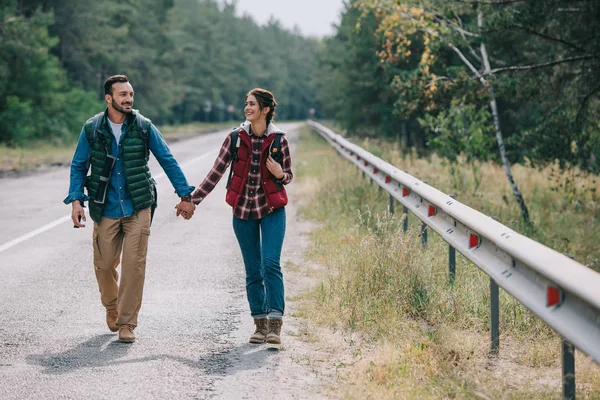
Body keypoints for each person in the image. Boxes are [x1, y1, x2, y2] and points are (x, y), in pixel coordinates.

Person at [64, 75, 195, 343]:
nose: (129, 99)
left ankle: (127, 323)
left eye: (131, 94)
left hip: (138, 204)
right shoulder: (92, 128)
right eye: (123, 94)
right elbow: (79, 165)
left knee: (134, 266)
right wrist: (76, 200)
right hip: (105, 205)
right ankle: (112, 306)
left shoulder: (144, 126)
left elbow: (167, 159)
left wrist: (185, 195)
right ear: (109, 98)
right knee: (104, 265)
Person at [185, 88, 293, 344]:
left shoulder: (279, 140)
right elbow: (216, 172)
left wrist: (279, 173)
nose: (247, 108)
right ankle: (259, 323)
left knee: (270, 264)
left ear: (265, 110)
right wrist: (194, 201)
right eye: (246, 103)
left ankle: (275, 325)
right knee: (253, 269)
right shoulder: (235, 137)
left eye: (252, 104)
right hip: (243, 212)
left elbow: (288, 176)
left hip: (271, 210)